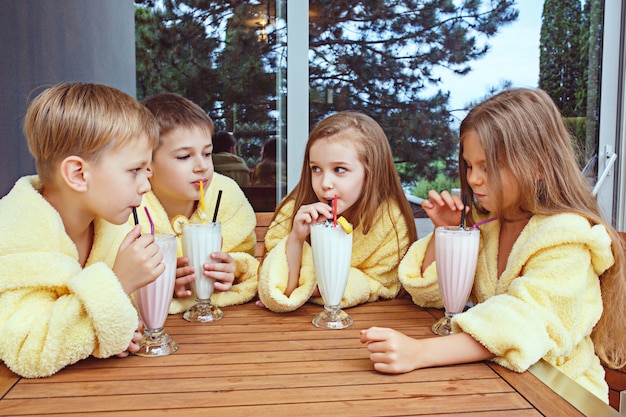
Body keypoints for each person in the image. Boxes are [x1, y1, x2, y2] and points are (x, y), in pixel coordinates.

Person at [360, 88, 626, 403]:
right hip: (501, 379)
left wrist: (420, 352)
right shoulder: (488, 229)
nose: (472, 179)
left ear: (537, 166)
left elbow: (524, 319)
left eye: (487, 167)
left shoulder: (567, 236)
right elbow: (431, 297)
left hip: (561, 394)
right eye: (469, 165)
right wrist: (445, 234)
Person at [0, 82, 165, 378]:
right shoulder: (16, 235)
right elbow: (27, 349)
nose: (147, 185)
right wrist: (118, 282)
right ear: (78, 174)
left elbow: (117, 320)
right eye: (134, 170)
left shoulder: (111, 227)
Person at [257, 111, 417, 312]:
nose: (324, 184)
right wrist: (296, 239)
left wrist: (319, 285)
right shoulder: (296, 210)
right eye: (316, 169)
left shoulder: (389, 222)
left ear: (371, 172)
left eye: (340, 170)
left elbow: (382, 283)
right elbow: (275, 286)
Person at [138, 93, 259, 313]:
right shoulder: (131, 205)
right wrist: (160, 284)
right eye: (184, 157)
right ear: (147, 163)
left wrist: (234, 268)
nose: (202, 166)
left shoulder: (225, 194)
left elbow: (247, 259)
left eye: (207, 153)